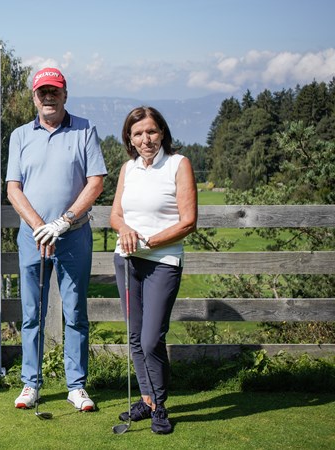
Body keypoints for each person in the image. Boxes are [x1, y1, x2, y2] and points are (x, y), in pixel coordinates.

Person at [6, 67, 107, 412]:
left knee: (75, 312)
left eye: (55, 91)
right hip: (31, 238)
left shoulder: (85, 129)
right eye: (42, 92)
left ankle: (76, 386)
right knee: (31, 313)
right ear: (34, 97)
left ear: (65, 94)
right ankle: (30, 383)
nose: (48, 97)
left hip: (74, 236)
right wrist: (39, 226)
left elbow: (95, 182)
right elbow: (13, 189)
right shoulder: (20, 135)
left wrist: (64, 222)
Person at [110, 106, 198, 434]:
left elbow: (188, 221)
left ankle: (160, 405)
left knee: (150, 339)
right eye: (137, 134)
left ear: (162, 132)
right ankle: (146, 401)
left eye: (151, 131)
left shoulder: (179, 164)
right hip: (127, 260)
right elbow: (116, 216)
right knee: (134, 336)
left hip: (163, 262)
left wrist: (148, 242)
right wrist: (126, 232)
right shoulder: (128, 169)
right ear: (129, 139)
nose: (145, 139)